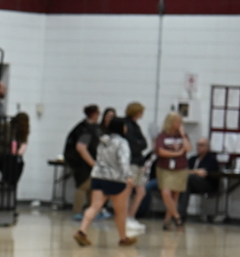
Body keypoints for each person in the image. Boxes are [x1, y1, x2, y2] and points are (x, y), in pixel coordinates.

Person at [73, 118, 137, 247]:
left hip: (98, 177)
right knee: (120, 211)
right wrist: (128, 176)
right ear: (120, 128)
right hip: (116, 179)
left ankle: (82, 231)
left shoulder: (103, 141)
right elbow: (123, 160)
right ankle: (123, 238)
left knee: (94, 206)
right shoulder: (122, 142)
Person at [155, 112, 190, 230]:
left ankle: (167, 221)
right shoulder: (162, 136)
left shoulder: (182, 136)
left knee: (175, 196)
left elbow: (188, 148)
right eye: (177, 121)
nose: (179, 124)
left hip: (180, 168)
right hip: (165, 168)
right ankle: (177, 217)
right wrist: (177, 153)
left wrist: (183, 135)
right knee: (166, 193)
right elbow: (160, 151)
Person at [63, 104, 100, 215]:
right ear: (94, 114)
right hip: (81, 163)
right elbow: (81, 148)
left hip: (81, 162)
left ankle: (91, 211)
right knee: (83, 186)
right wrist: (93, 163)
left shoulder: (86, 126)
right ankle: (77, 212)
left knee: (90, 187)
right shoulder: (86, 129)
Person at [178, 137, 221, 222]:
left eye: (201, 145)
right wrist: (196, 171)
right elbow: (184, 171)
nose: (198, 147)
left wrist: (192, 172)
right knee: (184, 184)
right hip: (191, 183)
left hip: (207, 184)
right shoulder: (193, 159)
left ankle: (181, 213)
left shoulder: (211, 159)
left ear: (207, 147)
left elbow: (203, 173)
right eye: (197, 145)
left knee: (189, 178)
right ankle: (181, 213)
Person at [122, 102, 149, 232]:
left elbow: (144, 143)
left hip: (139, 162)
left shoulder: (135, 125)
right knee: (128, 191)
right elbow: (132, 145)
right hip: (130, 161)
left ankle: (131, 216)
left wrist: (139, 144)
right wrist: (139, 144)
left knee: (141, 191)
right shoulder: (126, 125)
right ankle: (125, 218)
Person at [0, 112, 29, 186]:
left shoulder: (22, 132)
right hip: (3, 154)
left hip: (13, 155)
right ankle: (6, 181)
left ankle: (11, 182)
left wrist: (20, 151)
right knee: (11, 161)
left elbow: (23, 144)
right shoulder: (8, 126)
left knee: (20, 163)